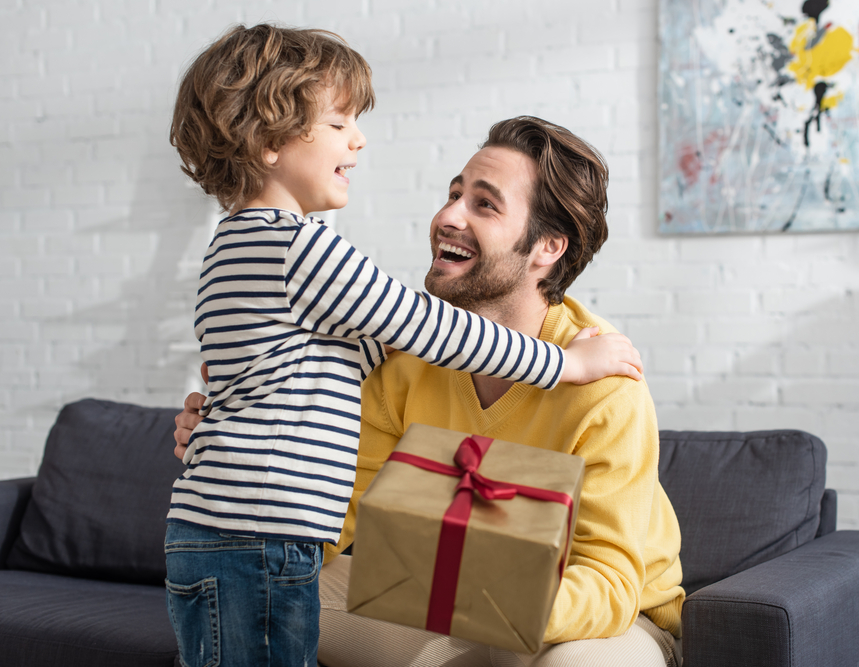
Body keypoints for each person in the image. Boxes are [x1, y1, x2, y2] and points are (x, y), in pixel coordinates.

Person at [166, 25, 642, 667]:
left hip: (582, 612)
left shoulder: (604, 380)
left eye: (484, 205)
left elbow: (611, 579)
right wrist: (232, 425)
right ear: (274, 141)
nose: (449, 216)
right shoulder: (385, 329)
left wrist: (481, 600)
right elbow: (346, 509)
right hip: (291, 547)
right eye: (453, 194)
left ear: (547, 248)